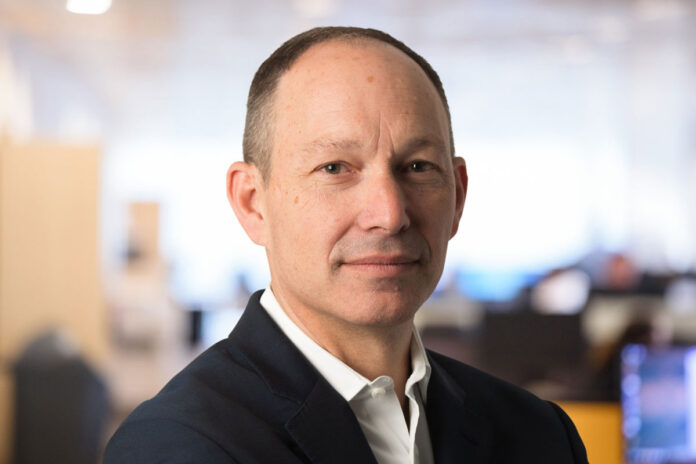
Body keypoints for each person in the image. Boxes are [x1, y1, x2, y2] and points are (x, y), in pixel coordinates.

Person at [105, 27, 588, 463]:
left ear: (458, 197)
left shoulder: (541, 435)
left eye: (418, 167)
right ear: (253, 204)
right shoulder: (177, 445)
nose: (390, 214)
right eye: (334, 168)